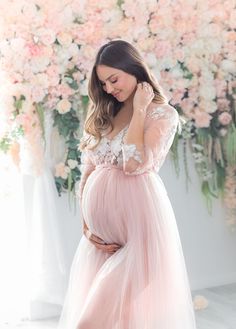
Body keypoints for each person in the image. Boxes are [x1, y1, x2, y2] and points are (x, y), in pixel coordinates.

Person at [57, 40, 197, 329]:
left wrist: (140, 109)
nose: (108, 89)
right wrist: (87, 225)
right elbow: (89, 169)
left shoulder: (162, 114)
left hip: (140, 237)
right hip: (101, 242)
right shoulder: (106, 111)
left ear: (134, 69)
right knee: (118, 322)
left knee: (89, 324)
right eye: (103, 83)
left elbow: (134, 163)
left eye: (113, 79)